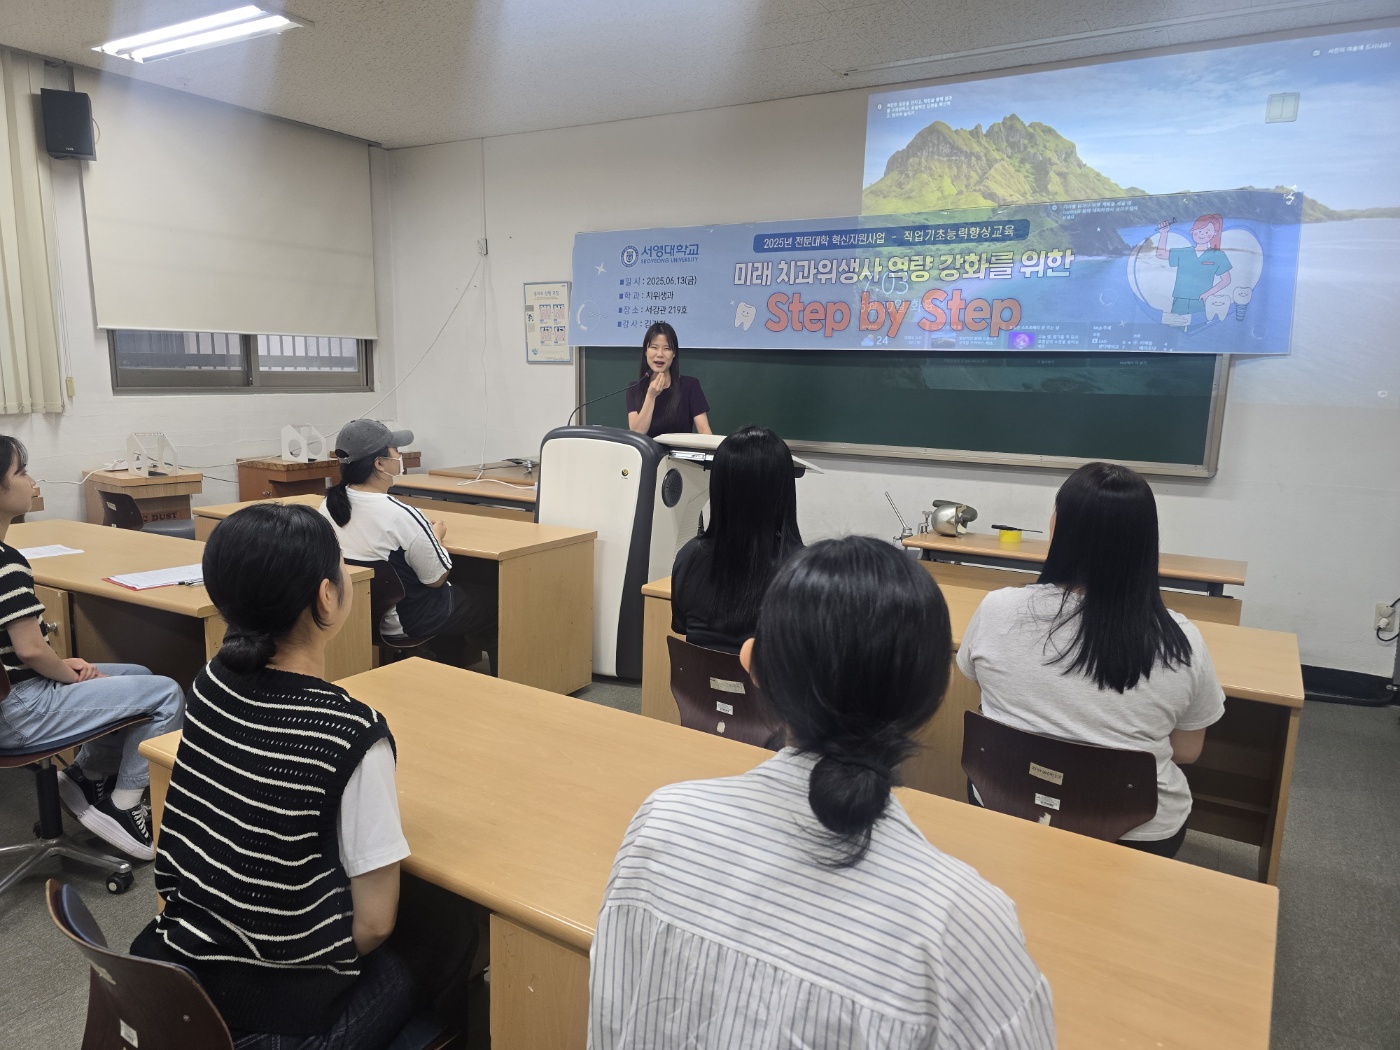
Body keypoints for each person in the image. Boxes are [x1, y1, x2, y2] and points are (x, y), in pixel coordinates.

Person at [590, 537, 1055, 1049]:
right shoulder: (963, 927)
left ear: (752, 663)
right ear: (938, 691)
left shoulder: (660, 826)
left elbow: (609, 1026)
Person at [131, 503, 478, 1047]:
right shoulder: (349, 732)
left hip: (186, 969)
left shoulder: (210, 682)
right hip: (279, 1021)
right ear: (326, 596)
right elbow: (374, 925)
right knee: (452, 926)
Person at [957, 461, 1226, 858]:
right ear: (1145, 540)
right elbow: (1187, 751)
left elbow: (980, 683)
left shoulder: (996, 609)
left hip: (1004, 801)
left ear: (1058, 526)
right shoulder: (1180, 641)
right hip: (1133, 834)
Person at [0, 435, 184, 861]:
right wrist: (68, 674)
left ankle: (87, 774)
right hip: (19, 711)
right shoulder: (6, 564)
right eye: (21, 472)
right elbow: (30, 651)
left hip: (13, 694)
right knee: (166, 693)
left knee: (137, 675)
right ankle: (123, 805)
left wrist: (62, 667)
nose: (32, 481)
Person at [321, 419, 497, 670]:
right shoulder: (399, 514)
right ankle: (507, 683)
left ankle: (449, 662)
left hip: (357, 614)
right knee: (499, 604)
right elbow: (436, 578)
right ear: (380, 463)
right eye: (396, 451)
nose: (399, 457)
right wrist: (435, 536)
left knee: (461, 591)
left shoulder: (327, 506)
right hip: (406, 621)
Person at [670, 424, 802, 652]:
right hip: (768, 677)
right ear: (784, 490)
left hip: (700, 677)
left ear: (718, 487)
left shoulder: (689, 557)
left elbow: (681, 625)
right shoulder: (803, 571)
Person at [625, 322, 712, 437]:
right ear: (646, 351)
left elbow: (704, 430)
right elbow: (637, 434)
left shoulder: (690, 386)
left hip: (680, 449)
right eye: (654, 347)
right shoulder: (634, 389)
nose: (660, 354)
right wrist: (651, 396)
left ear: (674, 353)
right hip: (648, 449)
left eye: (666, 348)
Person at [1156, 213, 1232, 317]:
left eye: (1207, 232)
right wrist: (1164, 234)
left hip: (1201, 300)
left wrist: (1208, 294)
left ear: (1214, 234)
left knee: (1198, 324)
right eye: (1199, 231)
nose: (1202, 234)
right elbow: (1161, 254)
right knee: (1177, 324)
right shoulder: (1184, 253)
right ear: (1192, 231)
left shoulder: (1218, 255)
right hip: (1180, 299)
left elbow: (1226, 280)